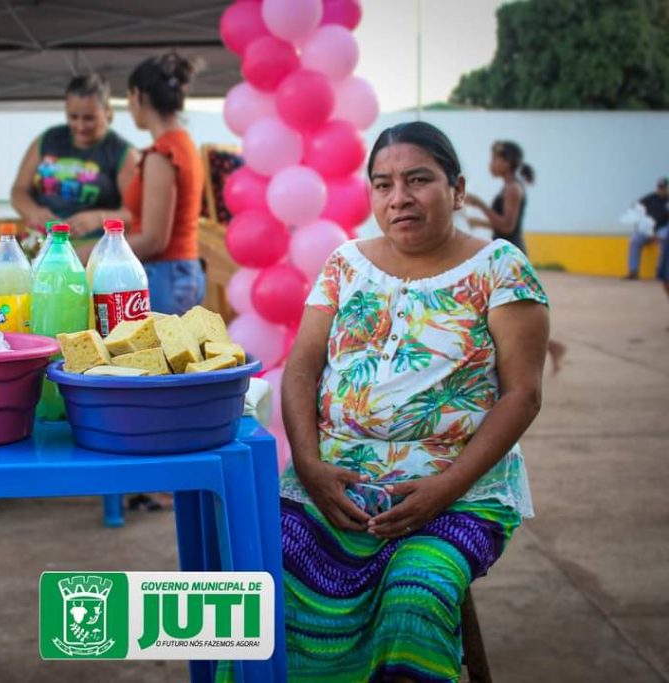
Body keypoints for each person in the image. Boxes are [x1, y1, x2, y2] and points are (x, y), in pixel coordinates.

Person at [266, 122, 549, 683]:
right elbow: (302, 366)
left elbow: (523, 394)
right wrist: (309, 466)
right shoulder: (345, 264)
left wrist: (445, 488)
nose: (399, 198)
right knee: (263, 578)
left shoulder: (499, 268)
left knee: (415, 597)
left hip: (459, 492)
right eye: (383, 184)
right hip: (335, 487)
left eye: (418, 180)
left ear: (458, 190)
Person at [465, 141, 567, 373]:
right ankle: (553, 348)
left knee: (510, 315)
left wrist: (480, 205)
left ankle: (551, 349)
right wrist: (479, 222)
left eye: (494, 159)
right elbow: (502, 224)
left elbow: (507, 224)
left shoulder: (513, 189)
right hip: (505, 253)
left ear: (506, 162)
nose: (491, 164)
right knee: (504, 313)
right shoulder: (508, 187)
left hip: (512, 257)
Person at [121, 53, 206, 315]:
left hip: (165, 277)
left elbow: (154, 240)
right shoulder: (183, 145)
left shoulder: (163, 153)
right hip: (180, 273)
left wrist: (98, 254)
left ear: (137, 95)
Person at [11, 73, 138, 242]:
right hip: (43, 243)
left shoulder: (123, 153)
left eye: (89, 118)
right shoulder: (49, 139)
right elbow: (19, 190)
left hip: (95, 248)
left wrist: (100, 218)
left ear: (107, 111)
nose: (80, 126)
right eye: (73, 117)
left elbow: (135, 213)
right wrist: (34, 212)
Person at [624, 177, 669, 280]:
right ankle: (633, 271)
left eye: (663, 188)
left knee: (665, 240)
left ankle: (661, 271)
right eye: (659, 187)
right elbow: (635, 208)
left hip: (663, 228)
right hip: (648, 228)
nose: (661, 190)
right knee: (635, 241)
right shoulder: (651, 198)